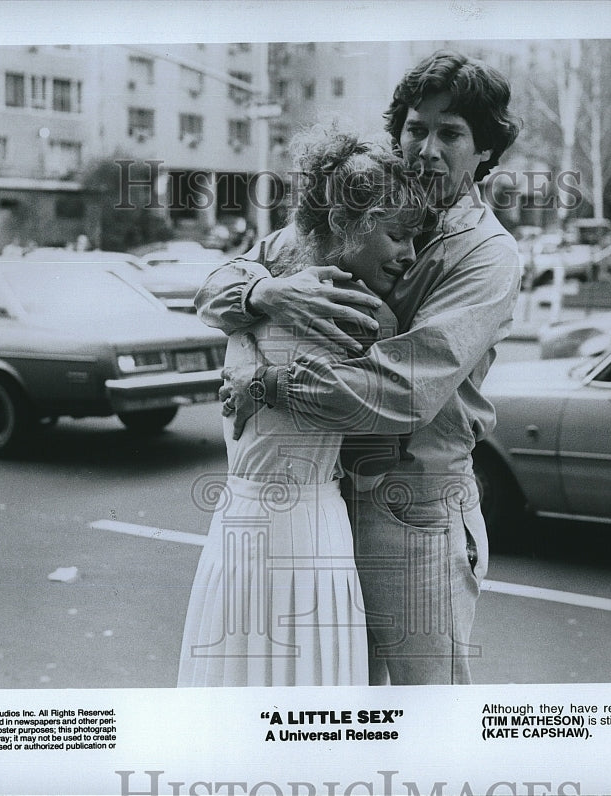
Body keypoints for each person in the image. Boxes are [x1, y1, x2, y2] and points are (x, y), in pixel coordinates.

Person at [195, 51, 523, 685]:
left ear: (484, 151)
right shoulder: (353, 214)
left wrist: (268, 383)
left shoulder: (486, 256)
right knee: (342, 703)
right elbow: (214, 287)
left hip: (413, 511)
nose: (426, 149)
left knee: (426, 712)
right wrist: (267, 294)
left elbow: (403, 390)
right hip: (327, 504)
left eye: (451, 134)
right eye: (415, 128)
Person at [177, 129, 433, 687]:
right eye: (397, 235)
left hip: (239, 519)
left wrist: (262, 379)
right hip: (307, 526)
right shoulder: (365, 317)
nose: (410, 255)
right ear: (347, 223)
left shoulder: (263, 279)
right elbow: (379, 445)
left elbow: (215, 296)